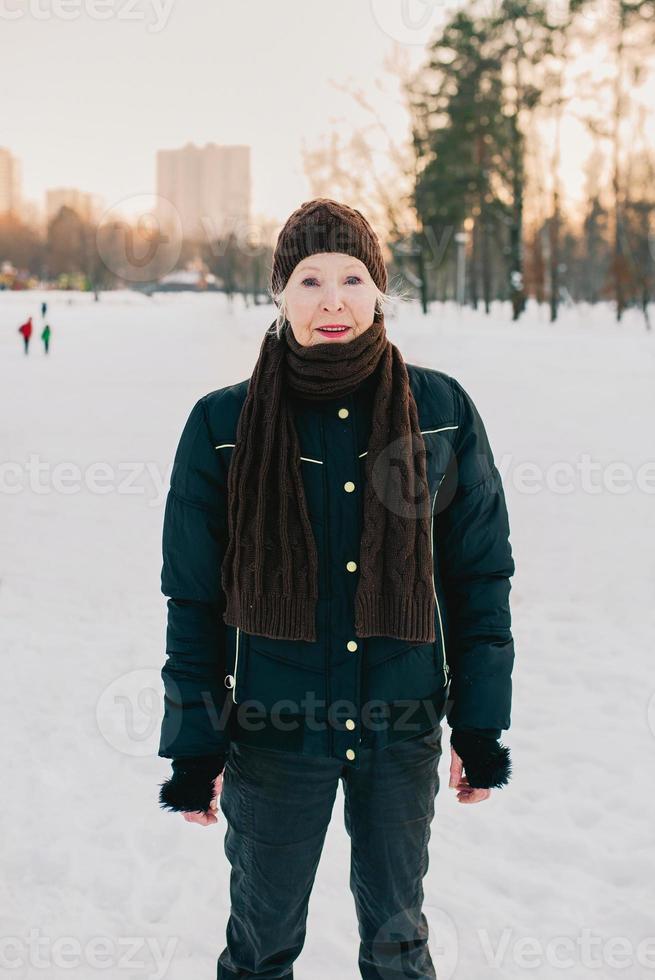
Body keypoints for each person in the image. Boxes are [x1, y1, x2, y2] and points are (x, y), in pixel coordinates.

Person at [157, 199, 516, 979]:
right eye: (308, 279)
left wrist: (479, 728)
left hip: (400, 728)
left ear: (377, 289)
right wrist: (195, 745)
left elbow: (478, 578)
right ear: (279, 293)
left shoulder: (440, 412)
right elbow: (192, 601)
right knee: (260, 943)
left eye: (352, 278)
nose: (332, 300)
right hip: (274, 734)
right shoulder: (221, 424)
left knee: (398, 945)